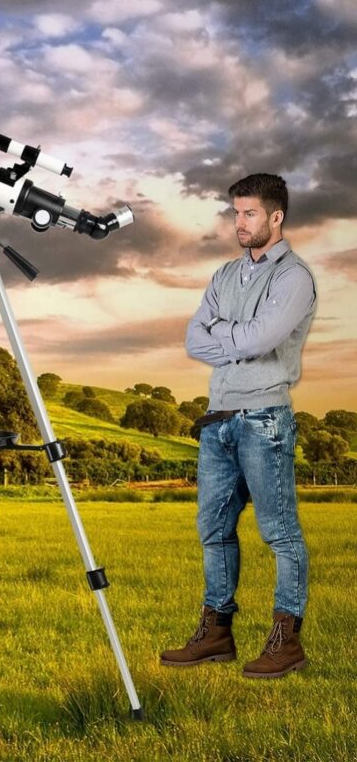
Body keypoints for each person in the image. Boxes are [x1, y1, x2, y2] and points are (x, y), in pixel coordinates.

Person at [161, 173, 316, 678]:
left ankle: (285, 639)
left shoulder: (293, 277)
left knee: (279, 532)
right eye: (235, 213)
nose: (240, 223)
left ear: (276, 217)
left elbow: (261, 338)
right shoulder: (225, 275)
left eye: (250, 214)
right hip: (218, 420)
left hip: (265, 418)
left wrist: (224, 335)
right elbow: (192, 339)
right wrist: (238, 336)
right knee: (213, 528)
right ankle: (216, 633)